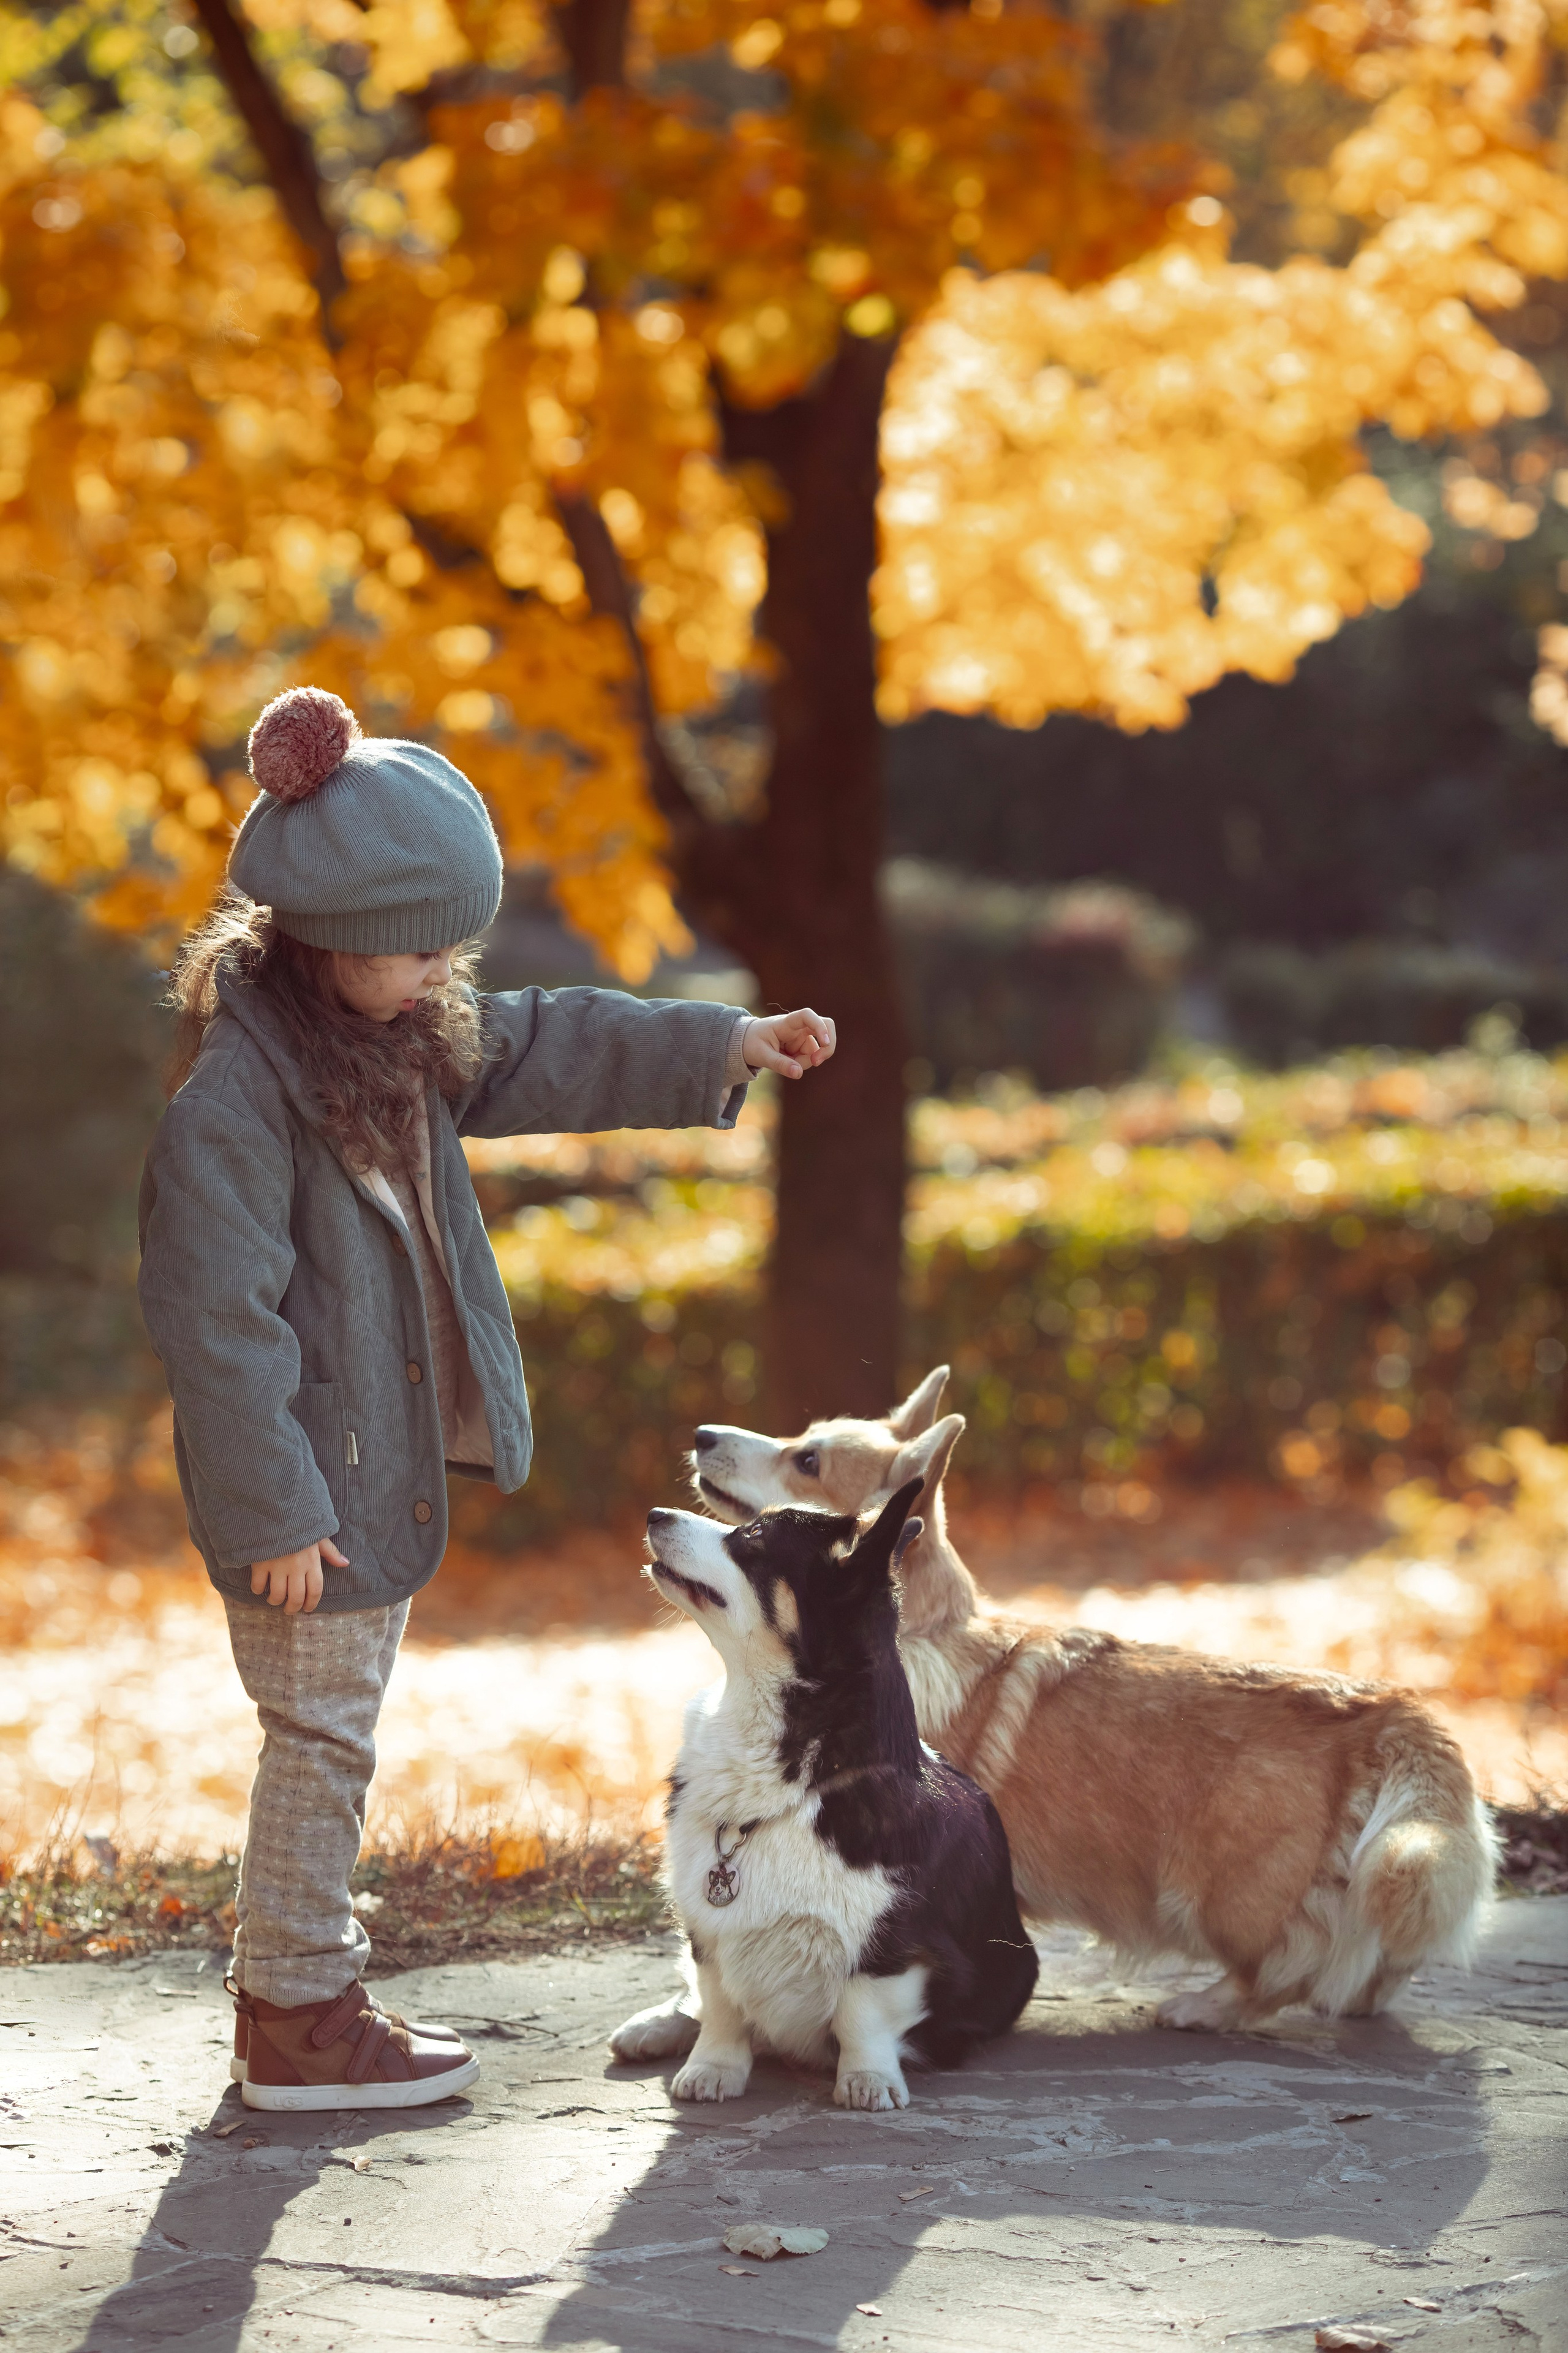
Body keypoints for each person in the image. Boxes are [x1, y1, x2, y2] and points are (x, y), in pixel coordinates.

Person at [138, 685, 835, 2113]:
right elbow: (217, 1328)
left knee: (335, 1735)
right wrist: (273, 1508)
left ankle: (301, 1988)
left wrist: (722, 1045)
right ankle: (296, 2019)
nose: (438, 975)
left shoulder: (389, 1037)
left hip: (350, 1476)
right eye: (415, 951)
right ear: (326, 937)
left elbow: (544, 1040)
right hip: (305, 1502)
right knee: (320, 1741)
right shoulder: (238, 1101)